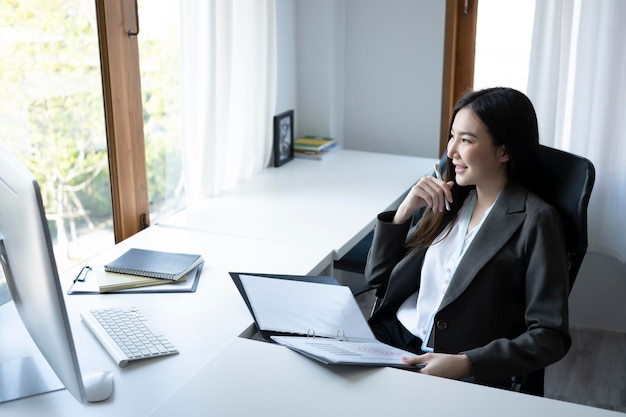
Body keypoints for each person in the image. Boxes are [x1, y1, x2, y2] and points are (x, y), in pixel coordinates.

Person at [364, 87, 571, 394]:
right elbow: (378, 280)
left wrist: (466, 363)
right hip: (392, 340)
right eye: (452, 136)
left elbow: (550, 335)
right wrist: (405, 211)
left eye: (466, 140)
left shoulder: (536, 220)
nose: (451, 151)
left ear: (504, 151)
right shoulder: (450, 201)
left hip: (455, 366)